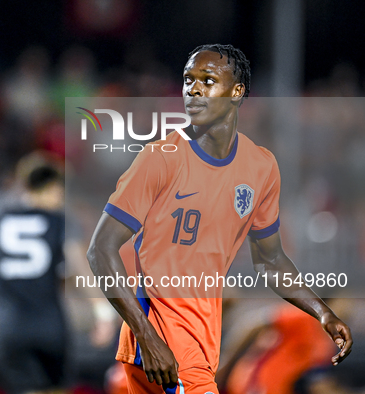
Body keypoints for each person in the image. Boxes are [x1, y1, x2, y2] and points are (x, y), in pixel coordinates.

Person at [86, 44, 353, 394]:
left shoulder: (260, 167)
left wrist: (322, 312)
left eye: (207, 80)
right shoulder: (161, 157)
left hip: (198, 342)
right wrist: (149, 338)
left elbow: (271, 260)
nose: (193, 89)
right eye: (187, 80)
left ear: (237, 92)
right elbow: (99, 249)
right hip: (165, 342)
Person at [0, 157, 69, 394]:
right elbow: (68, 273)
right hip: (50, 323)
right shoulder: (58, 222)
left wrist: (6, 288)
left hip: (11, 324)